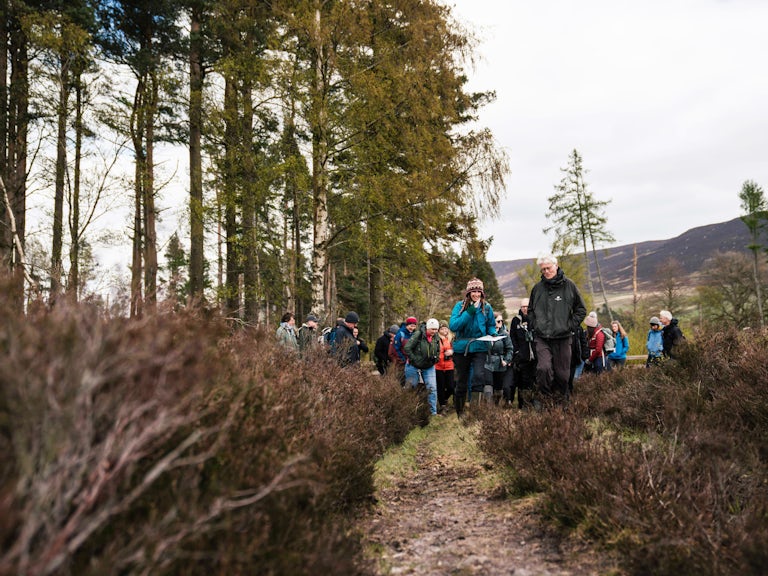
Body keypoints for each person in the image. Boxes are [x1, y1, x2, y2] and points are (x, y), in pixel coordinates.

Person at [528, 255, 587, 406]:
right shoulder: (537, 289)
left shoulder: (570, 286)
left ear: (556, 266)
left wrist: (569, 325)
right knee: (543, 368)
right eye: (543, 269)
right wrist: (535, 325)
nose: (546, 271)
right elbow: (530, 311)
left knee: (562, 375)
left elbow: (581, 309)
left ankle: (562, 404)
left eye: (548, 268)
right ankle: (546, 401)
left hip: (563, 337)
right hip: (542, 337)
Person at [449, 277, 497, 417]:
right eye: (473, 291)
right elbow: (454, 326)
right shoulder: (459, 306)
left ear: (482, 293)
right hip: (462, 348)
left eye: (478, 291)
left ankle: (476, 412)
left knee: (478, 377)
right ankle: (460, 413)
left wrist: (493, 334)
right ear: (468, 293)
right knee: (462, 380)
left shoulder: (487, 307)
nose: (476, 294)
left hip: (480, 346)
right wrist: (469, 311)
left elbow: (491, 325)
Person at [404, 318, 441, 415]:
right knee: (411, 387)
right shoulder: (418, 334)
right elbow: (407, 348)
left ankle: (433, 413)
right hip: (413, 366)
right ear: (427, 328)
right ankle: (408, 411)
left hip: (428, 366)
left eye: (436, 329)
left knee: (432, 388)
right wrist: (415, 359)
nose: (434, 331)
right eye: (432, 329)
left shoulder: (436, 337)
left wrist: (436, 359)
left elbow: (438, 349)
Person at [509, 298, 536, 408]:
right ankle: (522, 404)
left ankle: (532, 402)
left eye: (527, 306)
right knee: (522, 381)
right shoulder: (516, 320)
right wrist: (517, 352)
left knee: (533, 381)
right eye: (523, 306)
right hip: (522, 356)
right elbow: (512, 337)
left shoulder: (535, 319)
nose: (525, 308)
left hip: (534, 356)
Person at [485, 314, 514, 404]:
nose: (500, 323)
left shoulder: (505, 334)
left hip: (500, 363)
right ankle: (488, 407)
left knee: (498, 386)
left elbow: (510, 349)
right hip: (487, 361)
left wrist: (506, 360)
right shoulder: (485, 333)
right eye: (498, 321)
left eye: (501, 321)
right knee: (488, 383)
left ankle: (497, 405)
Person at [434, 322, 455, 413]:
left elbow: (457, 349)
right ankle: (442, 405)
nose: (444, 330)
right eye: (442, 329)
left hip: (449, 366)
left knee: (451, 386)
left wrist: (452, 352)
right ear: (439, 330)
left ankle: (445, 398)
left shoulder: (452, 339)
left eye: (446, 328)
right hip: (438, 366)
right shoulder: (436, 339)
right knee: (440, 386)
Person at [392, 316, 418, 386]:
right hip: (402, 363)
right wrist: (402, 359)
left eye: (414, 326)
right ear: (407, 325)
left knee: (412, 383)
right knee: (402, 381)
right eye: (410, 326)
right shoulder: (400, 334)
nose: (412, 328)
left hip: (412, 363)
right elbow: (396, 348)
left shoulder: (415, 334)